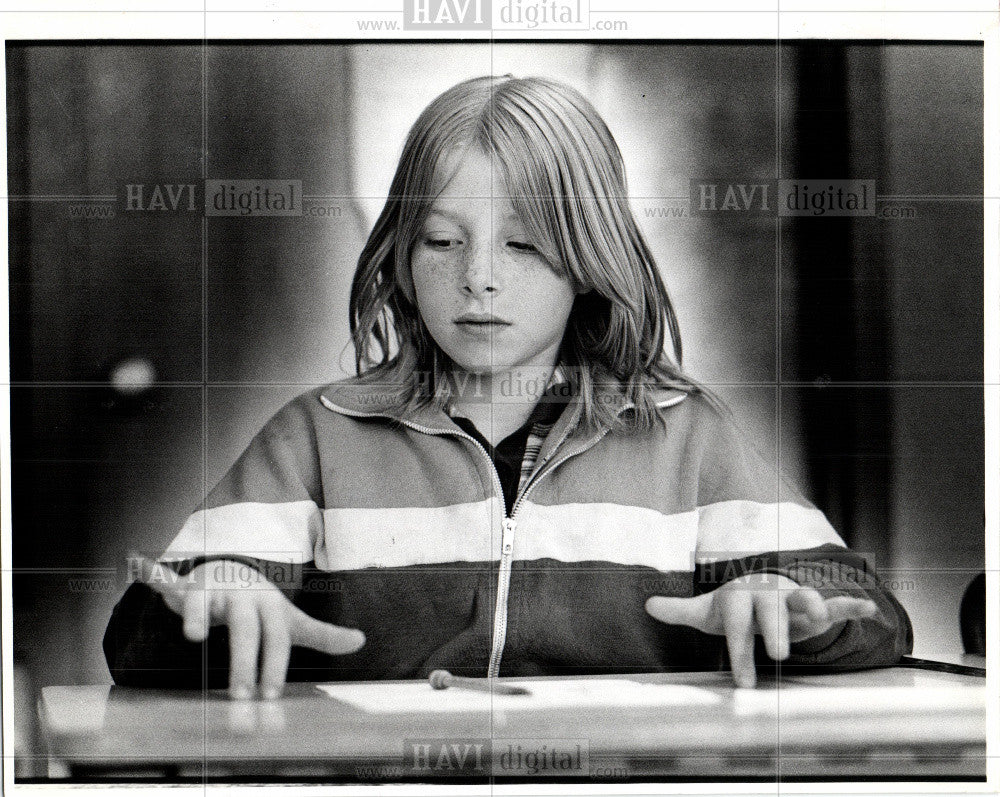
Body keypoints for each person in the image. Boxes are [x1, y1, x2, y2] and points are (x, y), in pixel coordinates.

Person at [104, 75, 912, 700]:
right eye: (443, 240)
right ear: (400, 257)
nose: (478, 278)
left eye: (524, 245)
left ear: (592, 261)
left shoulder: (687, 433)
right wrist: (217, 599)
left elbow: (872, 618)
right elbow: (140, 635)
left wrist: (787, 605)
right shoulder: (315, 436)